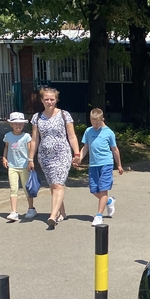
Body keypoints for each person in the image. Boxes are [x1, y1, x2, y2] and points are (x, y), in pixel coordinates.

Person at [28, 87, 81, 229]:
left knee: (58, 184)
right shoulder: (37, 117)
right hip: (45, 157)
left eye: (52, 99)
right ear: (41, 100)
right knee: (53, 185)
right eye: (46, 99)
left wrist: (77, 154)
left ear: (56, 100)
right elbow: (34, 139)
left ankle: (52, 215)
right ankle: (62, 211)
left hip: (62, 154)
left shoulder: (64, 115)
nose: (49, 102)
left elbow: (72, 135)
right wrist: (30, 158)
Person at [75, 108, 123, 226]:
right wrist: (79, 158)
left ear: (102, 119)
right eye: (93, 121)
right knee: (94, 189)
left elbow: (115, 149)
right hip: (93, 165)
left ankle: (99, 215)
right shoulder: (88, 131)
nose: (95, 124)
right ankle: (109, 201)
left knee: (103, 189)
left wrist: (119, 165)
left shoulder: (109, 132)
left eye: (97, 122)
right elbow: (85, 147)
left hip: (106, 164)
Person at [2, 112, 37, 221]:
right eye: (16, 124)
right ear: (11, 124)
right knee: (13, 189)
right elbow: (6, 148)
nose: (18, 126)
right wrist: (4, 157)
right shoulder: (8, 136)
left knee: (27, 188)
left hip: (24, 166)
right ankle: (13, 212)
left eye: (20, 124)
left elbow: (31, 149)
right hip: (12, 166)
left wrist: (31, 161)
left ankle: (31, 209)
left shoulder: (26, 136)